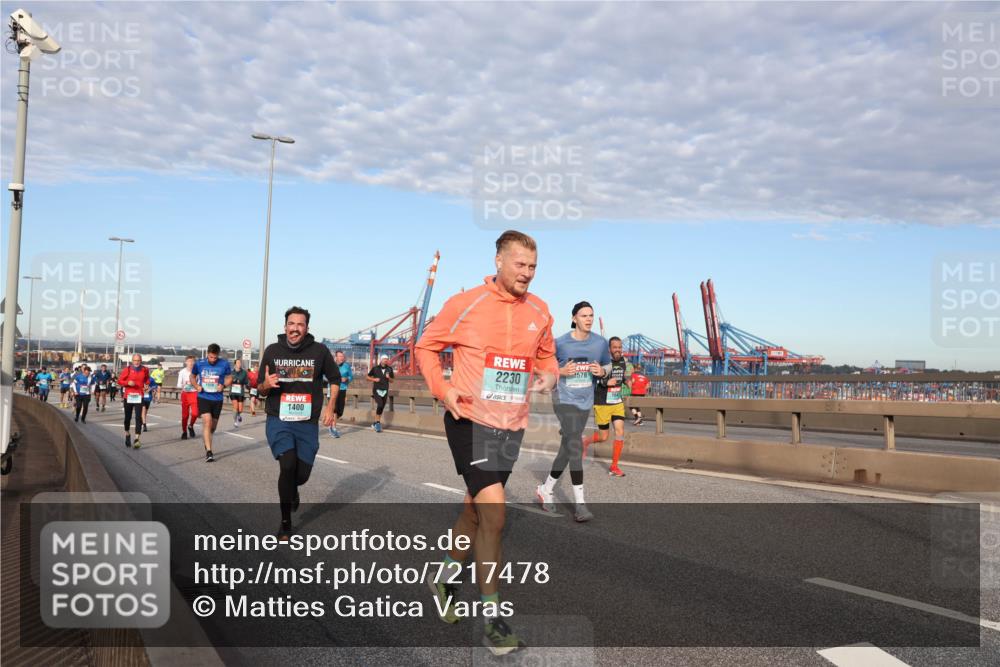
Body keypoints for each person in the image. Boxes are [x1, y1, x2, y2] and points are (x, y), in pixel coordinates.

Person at [415, 229, 558, 656]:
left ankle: (443, 578)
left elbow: (546, 355)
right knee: (495, 514)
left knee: (475, 513)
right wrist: (443, 390)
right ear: (499, 261)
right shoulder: (466, 304)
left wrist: (549, 372)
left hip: (511, 426)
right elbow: (425, 346)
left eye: (533, 267)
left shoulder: (540, 310)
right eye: (520, 265)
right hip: (468, 419)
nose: (527, 274)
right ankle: (493, 621)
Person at [256, 306, 340, 541]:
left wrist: (331, 407)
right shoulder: (272, 351)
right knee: (288, 464)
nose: (295, 329)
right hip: (278, 418)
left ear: (306, 328)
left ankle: (293, 492)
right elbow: (260, 389)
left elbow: (335, 379)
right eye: (291, 324)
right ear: (285, 327)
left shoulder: (320, 351)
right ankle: (285, 523)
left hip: (307, 422)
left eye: (300, 325)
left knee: (300, 476)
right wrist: (265, 385)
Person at [536, 301, 609, 522]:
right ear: (574, 318)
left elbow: (608, 366)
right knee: (575, 445)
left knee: (567, 449)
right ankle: (580, 506)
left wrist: (601, 371)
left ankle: (545, 489)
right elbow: (543, 367)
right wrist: (560, 371)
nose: (588, 319)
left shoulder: (600, 343)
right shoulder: (560, 343)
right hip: (563, 399)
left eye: (591, 315)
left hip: (585, 401)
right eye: (584, 315)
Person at [583, 336, 631, 477]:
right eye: (615, 347)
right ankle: (585, 442)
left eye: (620, 347)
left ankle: (614, 466)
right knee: (603, 436)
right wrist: (605, 383)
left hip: (616, 402)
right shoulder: (603, 361)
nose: (618, 350)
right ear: (609, 349)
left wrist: (626, 381)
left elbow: (620, 376)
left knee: (620, 432)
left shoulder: (623, 361)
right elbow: (593, 379)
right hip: (602, 402)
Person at [191, 344, 233, 462]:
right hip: (203, 396)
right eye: (210, 357)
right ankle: (209, 452)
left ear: (218, 355)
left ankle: (207, 438)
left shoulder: (224, 364)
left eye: (215, 358)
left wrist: (224, 385)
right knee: (207, 421)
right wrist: (196, 386)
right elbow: (192, 376)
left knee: (212, 428)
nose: (213, 360)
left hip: (217, 399)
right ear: (207, 354)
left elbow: (230, 378)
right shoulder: (199, 363)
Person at [118, 354, 150, 449]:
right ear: (132, 361)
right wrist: (127, 383)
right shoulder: (127, 370)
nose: (137, 362)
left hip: (139, 396)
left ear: (141, 361)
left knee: (138, 417)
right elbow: (119, 381)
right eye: (135, 360)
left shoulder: (145, 369)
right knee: (127, 418)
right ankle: (127, 434)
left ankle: (137, 438)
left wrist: (147, 384)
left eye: (138, 360)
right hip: (128, 396)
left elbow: (147, 379)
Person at [366, 354, 394, 432]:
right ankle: (378, 423)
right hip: (377, 389)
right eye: (384, 359)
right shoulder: (375, 368)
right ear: (381, 360)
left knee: (381, 407)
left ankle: (375, 423)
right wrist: (374, 379)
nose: (385, 360)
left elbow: (392, 381)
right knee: (380, 404)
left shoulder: (389, 369)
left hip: (385, 390)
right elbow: (367, 377)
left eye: (386, 359)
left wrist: (389, 378)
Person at [329, 350, 352, 438]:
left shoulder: (346, 366)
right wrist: (333, 379)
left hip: (343, 388)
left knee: (340, 411)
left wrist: (347, 379)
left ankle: (331, 421)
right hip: (332, 388)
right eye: (340, 356)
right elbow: (324, 376)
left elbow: (351, 376)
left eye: (342, 356)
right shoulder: (331, 365)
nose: (342, 358)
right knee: (334, 408)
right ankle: (333, 427)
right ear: (336, 357)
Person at [176, 355, 200, 440]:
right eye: (189, 361)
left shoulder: (197, 372)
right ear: (186, 362)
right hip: (185, 394)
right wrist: (185, 385)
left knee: (195, 413)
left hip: (194, 394)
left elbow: (200, 382)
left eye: (192, 361)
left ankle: (191, 425)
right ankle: (184, 432)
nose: (191, 363)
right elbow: (179, 384)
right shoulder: (182, 372)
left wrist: (196, 385)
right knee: (185, 416)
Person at [229, 358, 248, 427]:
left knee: (240, 409)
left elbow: (246, 382)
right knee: (235, 406)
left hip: (240, 392)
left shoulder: (244, 372)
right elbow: (228, 381)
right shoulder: (231, 372)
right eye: (237, 363)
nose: (239, 364)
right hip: (233, 392)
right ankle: (235, 421)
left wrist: (247, 385)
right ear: (235, 364)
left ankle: (239, 415)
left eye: (240, 363)